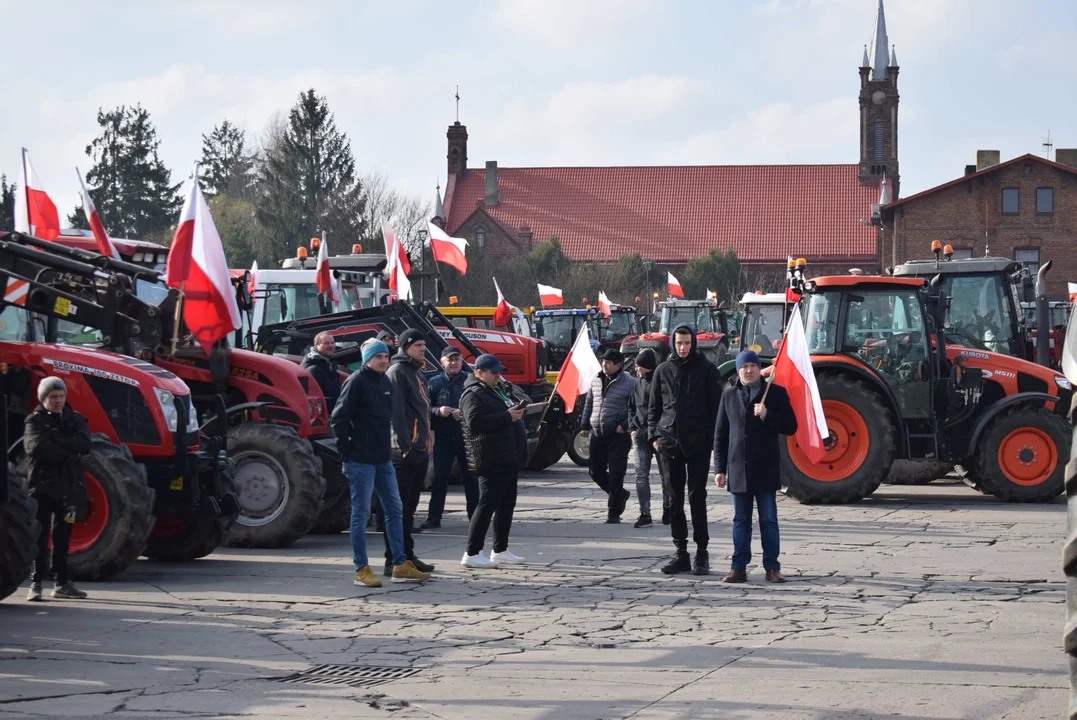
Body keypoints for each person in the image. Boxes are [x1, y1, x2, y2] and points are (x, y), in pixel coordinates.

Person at [333, 339, 430, 586]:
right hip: (360, 461)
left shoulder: (384, 381)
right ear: (367, 359)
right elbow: (339, 419)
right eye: (379, 357)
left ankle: (399, 565)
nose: (384, 361)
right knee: (361, 515)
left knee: (395, 509)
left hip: (383, 459)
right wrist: (347, 454)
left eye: (386, 357)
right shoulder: (356, 381)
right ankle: (361, 569)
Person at [714, 350, 798, 584]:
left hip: (765, 468)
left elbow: (791, 426)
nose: (748, 370)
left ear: (759, 369)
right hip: (739, 470)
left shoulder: (775, 394)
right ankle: (738, 567)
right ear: (738, 370)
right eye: (744, 366)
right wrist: (719, 469)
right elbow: (720, 435)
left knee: (768, 520)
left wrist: (768, 414)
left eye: (752, 365)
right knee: (741, 521)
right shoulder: (729, 396)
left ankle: (772, 567)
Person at [647, 324, 723, 576]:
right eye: (679, 343)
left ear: (694, 343)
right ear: (672, 343)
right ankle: (680, 553)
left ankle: (702, 553)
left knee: (696, 498)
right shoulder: (662, 370)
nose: (683, 348)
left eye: (687, 343)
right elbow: (653, 408)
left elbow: (717, 410)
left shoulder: (707, 370)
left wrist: (713, 441)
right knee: (674, 501)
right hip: (669, 444)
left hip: (698, 445)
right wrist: (654, 437)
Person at [25, 377, 92, 601]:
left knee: (63, 538)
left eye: (61, 396)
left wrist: (56, 443)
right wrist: (67, 448)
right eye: (53, 397)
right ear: (44, 399)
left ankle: (62, 583)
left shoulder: (75, 419)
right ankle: (35, 584)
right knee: (40, 537)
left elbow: (84, 444)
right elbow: (37, 448)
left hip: (68, 487)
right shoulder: (34, 421)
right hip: (42, 487)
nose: (58, 401)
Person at [459, 354, 528, 569]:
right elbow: (475, 422)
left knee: (507, 504)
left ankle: (500, 549)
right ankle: (472, 552)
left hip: (507, 456)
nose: (498, 376)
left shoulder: (495, 391)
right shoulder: (473, 394)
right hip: (491, 458)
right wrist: (507, 417)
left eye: (499, 372)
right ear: (479, 372)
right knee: (487, 504)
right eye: (493, 372)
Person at [384, 328, 435, 575]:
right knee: (398, 509)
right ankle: (393, 560)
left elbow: (423, 412)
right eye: (417, 346)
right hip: (403, 453)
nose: (422, 349)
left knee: (410, 509)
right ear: (405, 347)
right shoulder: (397, 373)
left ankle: (407, 556)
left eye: (424, 346)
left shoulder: (417, 373)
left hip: (420, 450)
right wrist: (405, 447)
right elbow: (395, 415)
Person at [421, 347, 479, 529]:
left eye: (457, 359)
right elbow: (425, 408)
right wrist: (439, 410)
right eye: (450, 360)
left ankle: (476, 518)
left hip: (466, 437)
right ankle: (434, 518)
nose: (453, 363)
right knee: (439, 478)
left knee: (471, 478)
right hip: (443, 437)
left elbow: (478, 406)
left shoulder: (470, 381)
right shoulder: (434, 382)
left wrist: (464, 413)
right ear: (442, 362)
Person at [581, 348, 636, 523]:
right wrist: (584, 425)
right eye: (603, 361)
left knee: (616, 473)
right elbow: (589, 403)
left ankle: (613, 513)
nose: (604, 364)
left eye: (608, 362)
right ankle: (620, 495)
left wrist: (625, 425)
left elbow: (636, 408)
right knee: (595, 471)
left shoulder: (630, 383)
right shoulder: (596, 380)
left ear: (617, 365)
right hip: (598, 433)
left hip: (618, 435)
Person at [627, 348, 669, 529]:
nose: (636, 368)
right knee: (640, 475)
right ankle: (645, 514)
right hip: (641, 435)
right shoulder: (636, 384)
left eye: (638, 365)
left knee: (665, 475)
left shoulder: (660, 383)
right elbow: (630, 407)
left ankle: (669, 508)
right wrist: (632, 428)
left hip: (659, 435)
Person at [301, 331, 342, 412]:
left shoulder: (330, 363)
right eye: (326, 343)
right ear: (316, 346)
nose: (330, 345)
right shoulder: (313, 369)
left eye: (332, 343)